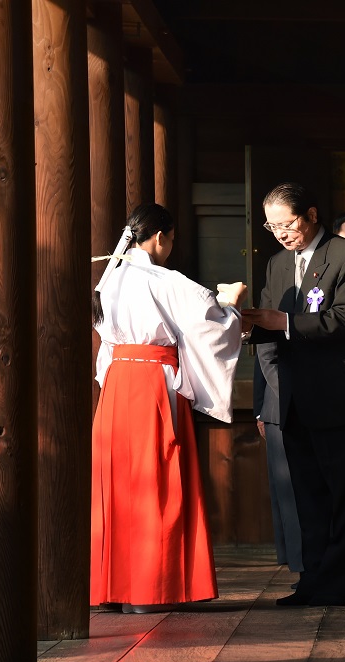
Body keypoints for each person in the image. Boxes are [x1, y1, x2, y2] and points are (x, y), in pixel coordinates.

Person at [90, 203, 246, 613]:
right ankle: (148, 589)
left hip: (119, 381)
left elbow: (105, 348)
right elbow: (213, 325)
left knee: (117, 482)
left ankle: (113, 588)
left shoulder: (111, 280)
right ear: (160, 237)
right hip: (152, 382)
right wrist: (231, 302)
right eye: (171, 239)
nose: (171, 247)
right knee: (157, 480)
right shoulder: (164, 279)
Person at [244, 182, 345, 606]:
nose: (282, 234)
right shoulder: (278, 264)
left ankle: (341, 584)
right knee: (308, 497)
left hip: (340, 397)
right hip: (294, 399)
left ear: (312, 215)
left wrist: (283, 321)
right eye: (273, 227)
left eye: (288, 224)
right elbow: (269, 329)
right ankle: (313, 581)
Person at [253, 353, 303, 586]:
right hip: (283, 403)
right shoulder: (277, 314)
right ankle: (303, 567)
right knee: (290, 493)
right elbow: (266, 356)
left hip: (323, 403)